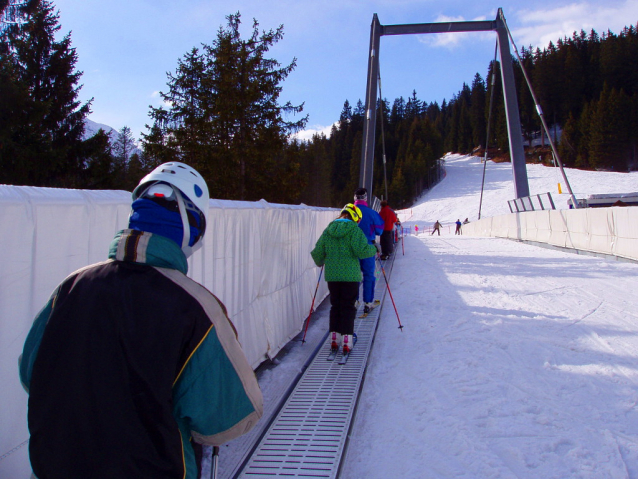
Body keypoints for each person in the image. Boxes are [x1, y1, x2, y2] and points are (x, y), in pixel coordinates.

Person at [19, 162, 263, 479]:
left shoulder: (71, 287)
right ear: (193, 231)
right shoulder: (195, 308)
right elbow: (231, 416)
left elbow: (31, 373)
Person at [311, 204, 377, 354]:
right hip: (350, 276)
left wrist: (322, 261)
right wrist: (375, 248)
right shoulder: (354, 230)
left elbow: (317, 253)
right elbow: (362, 251)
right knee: (348, 306)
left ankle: (334, 337)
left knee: (336, 306)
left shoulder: (329, 230)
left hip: (332, 277)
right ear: (355, 217)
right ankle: (347, 340)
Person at [353, 188, 384, 314]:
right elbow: (379, 230)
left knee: (353, 276)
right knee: (369, 276)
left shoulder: (347, 212)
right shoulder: (371, 213)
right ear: (366, 198)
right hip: (367, 247)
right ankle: (368, 303)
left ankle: (353, 302)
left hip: (351, 248)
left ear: (354, 198)